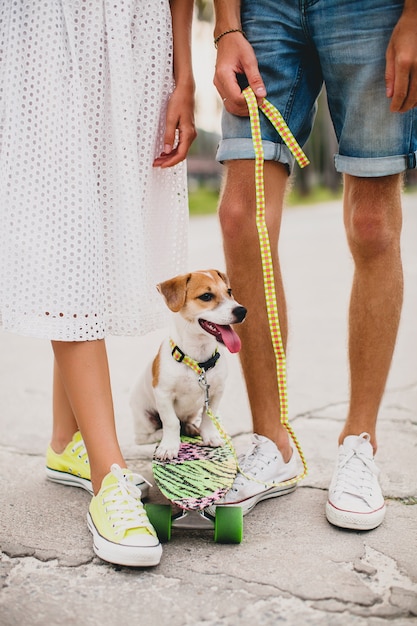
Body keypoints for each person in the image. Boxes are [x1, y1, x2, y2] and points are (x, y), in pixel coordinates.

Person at [0, 0, 196, 567]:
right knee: (69, 238)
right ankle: (108, 476)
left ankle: (67, 441)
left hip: (137, 36)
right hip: (46, 28)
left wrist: (183, 73)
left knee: (104, 236)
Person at [211, 0, 417, 530]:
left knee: (373, 225)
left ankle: (359, 441)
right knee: (241, 215)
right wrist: (226, 24)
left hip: (373, 10)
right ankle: (271, 442)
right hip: (264, 9)